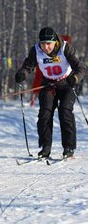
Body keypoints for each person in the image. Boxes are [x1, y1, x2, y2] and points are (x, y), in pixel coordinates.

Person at [15, 27, 86, 158]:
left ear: (54, 42)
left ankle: (69, 148)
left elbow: (81, 68)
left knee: (65, 111)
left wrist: (75, 78)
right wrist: (22, 74)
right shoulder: (36, 50)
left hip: (66, 84)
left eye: (48, 44)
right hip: (48, 84)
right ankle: (45, 147)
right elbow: (27, 66)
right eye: (43, 43)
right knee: (45, 114)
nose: (45, 47)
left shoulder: (65, 48)